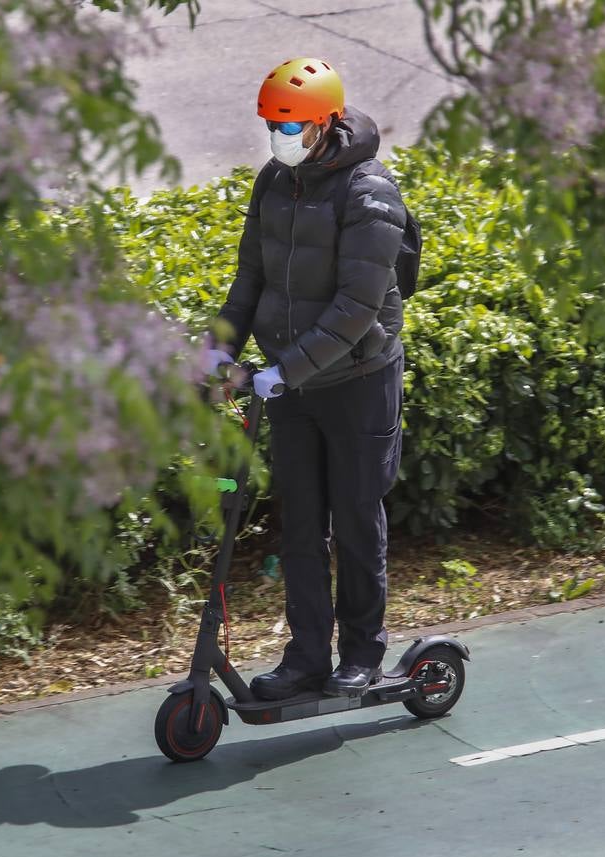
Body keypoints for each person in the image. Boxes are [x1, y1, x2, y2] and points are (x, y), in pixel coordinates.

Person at [203, 57, 408, 700]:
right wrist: (219, 351)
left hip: (357, 380)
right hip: (288, 385)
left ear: (326, 123)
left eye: (290, 127)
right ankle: (306, 658)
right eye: (271, 125)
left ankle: (363, 655)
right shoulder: (274, 182)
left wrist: (280, 372)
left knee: (353, 519)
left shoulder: (370, 193)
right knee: (299, 528)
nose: (277, 138)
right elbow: (250, 281)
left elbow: (356, 311)